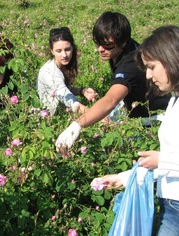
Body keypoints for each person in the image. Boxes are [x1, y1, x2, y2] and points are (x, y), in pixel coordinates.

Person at [91, 25, 179, 236]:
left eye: (152, 67)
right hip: (171, 205)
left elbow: (166, 160)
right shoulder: (174, 100)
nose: (148, 75)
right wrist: (124, 177)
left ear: (170, 59)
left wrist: (163, 161)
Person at [55, 11, 170, 148]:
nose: (100, 49)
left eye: (107, 45)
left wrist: (77, 125)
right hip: (141, 105)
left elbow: (110, 100)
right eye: (98, 43)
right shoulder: (121, 49)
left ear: (123, 42)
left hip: (154, 118)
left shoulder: (130, 65)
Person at [37, 27, 98, 115]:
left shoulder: (62, 65)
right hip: (50, 118)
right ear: (52, 51)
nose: (64, 55)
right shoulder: (49, 72)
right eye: (59, 51)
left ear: (72, 48)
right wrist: (98, 117)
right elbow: (71, 102)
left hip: (63, 113)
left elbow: (64, 90)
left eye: (67, 49)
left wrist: (82, 91)